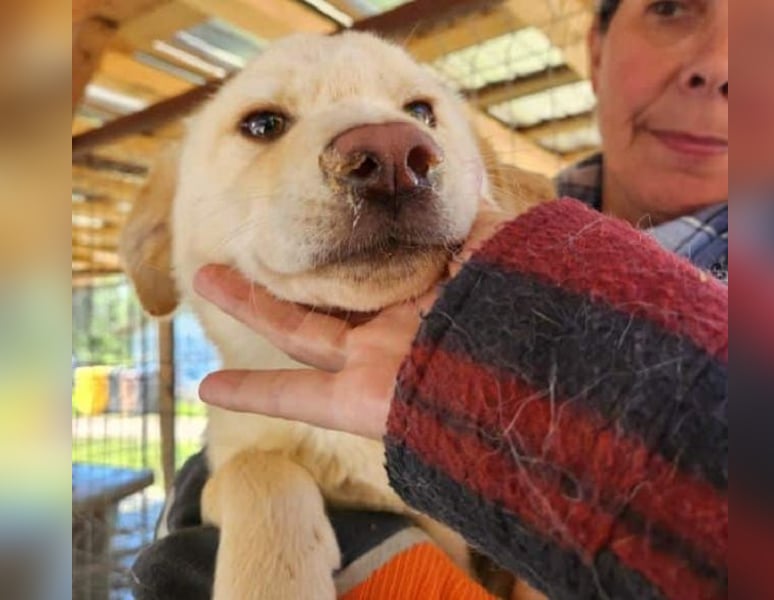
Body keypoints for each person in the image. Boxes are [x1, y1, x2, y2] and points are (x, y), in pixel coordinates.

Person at [131, 0, 729, 598]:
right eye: (264, 124)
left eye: (418, 111)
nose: (392, 150)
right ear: (594, 47)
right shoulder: (530, 207)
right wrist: (245, 490)